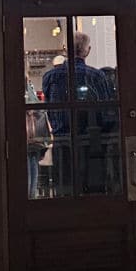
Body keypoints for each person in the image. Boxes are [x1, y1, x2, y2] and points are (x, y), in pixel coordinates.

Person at [40, 30, 114, 194]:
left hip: (61, 139)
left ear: (66, 50)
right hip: (91, 141)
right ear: (87, 50)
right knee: (93, 189)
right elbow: (107, 113)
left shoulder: (50, 77)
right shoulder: (97, 76)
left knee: (65, 188)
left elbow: (49, 108)